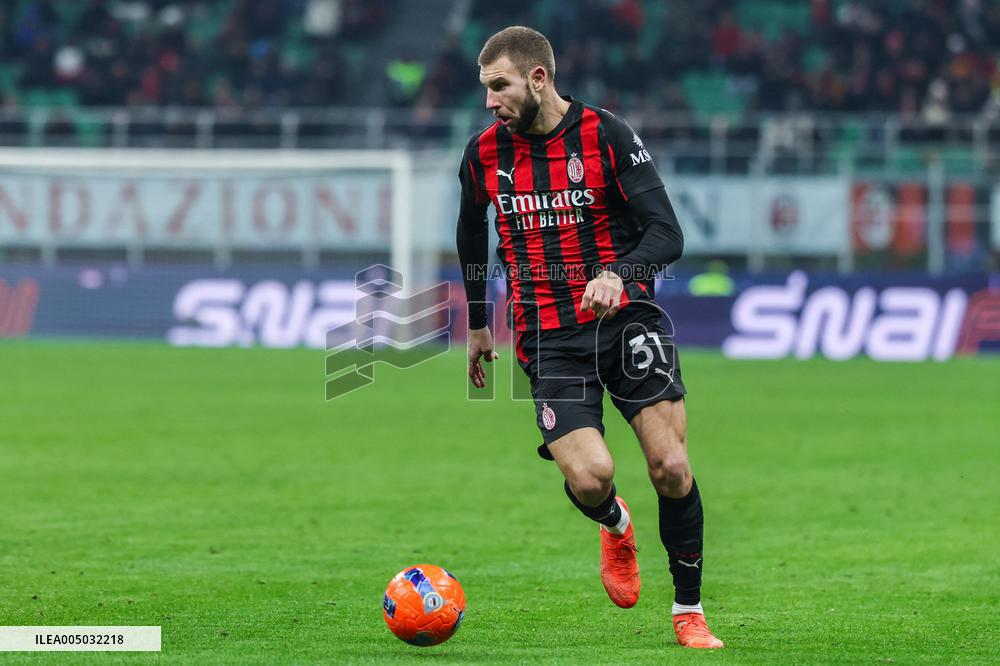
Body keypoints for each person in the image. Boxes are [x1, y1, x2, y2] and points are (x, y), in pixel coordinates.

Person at [455, 26, 724, 650]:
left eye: (499, 87)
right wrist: (474, 323)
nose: (490, 101)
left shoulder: (607, 136)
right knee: (591, 478)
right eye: (484, 89)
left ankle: (689, 611)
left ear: (538, 78)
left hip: (626, 321)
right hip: (549, 336)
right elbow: (472, 235)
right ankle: (615, 523)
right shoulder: (483, 154)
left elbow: (668, 233)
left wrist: (618, 273)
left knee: (671, 467)